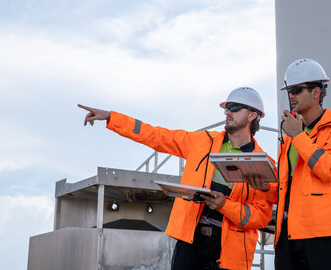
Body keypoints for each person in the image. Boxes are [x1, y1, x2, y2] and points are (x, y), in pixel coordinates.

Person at [78, 87, 276, 270]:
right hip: (190, 245)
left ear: (252, 115)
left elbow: (260, 217)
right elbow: (156, 135)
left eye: (234, 108)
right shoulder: (201, 142)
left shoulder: (264, 165)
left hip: (231, 253)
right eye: (226, 108)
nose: (227, 112)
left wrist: (225, 206)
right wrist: (113, 118)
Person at [274, 58, 331, 269]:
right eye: (289, 91)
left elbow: (330, 169)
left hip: (324, 236)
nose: (291, 95)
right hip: (288, 236)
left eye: (297, 90)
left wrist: (298, 135)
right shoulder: (290, 137)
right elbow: (287, 184)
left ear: (316, 92)